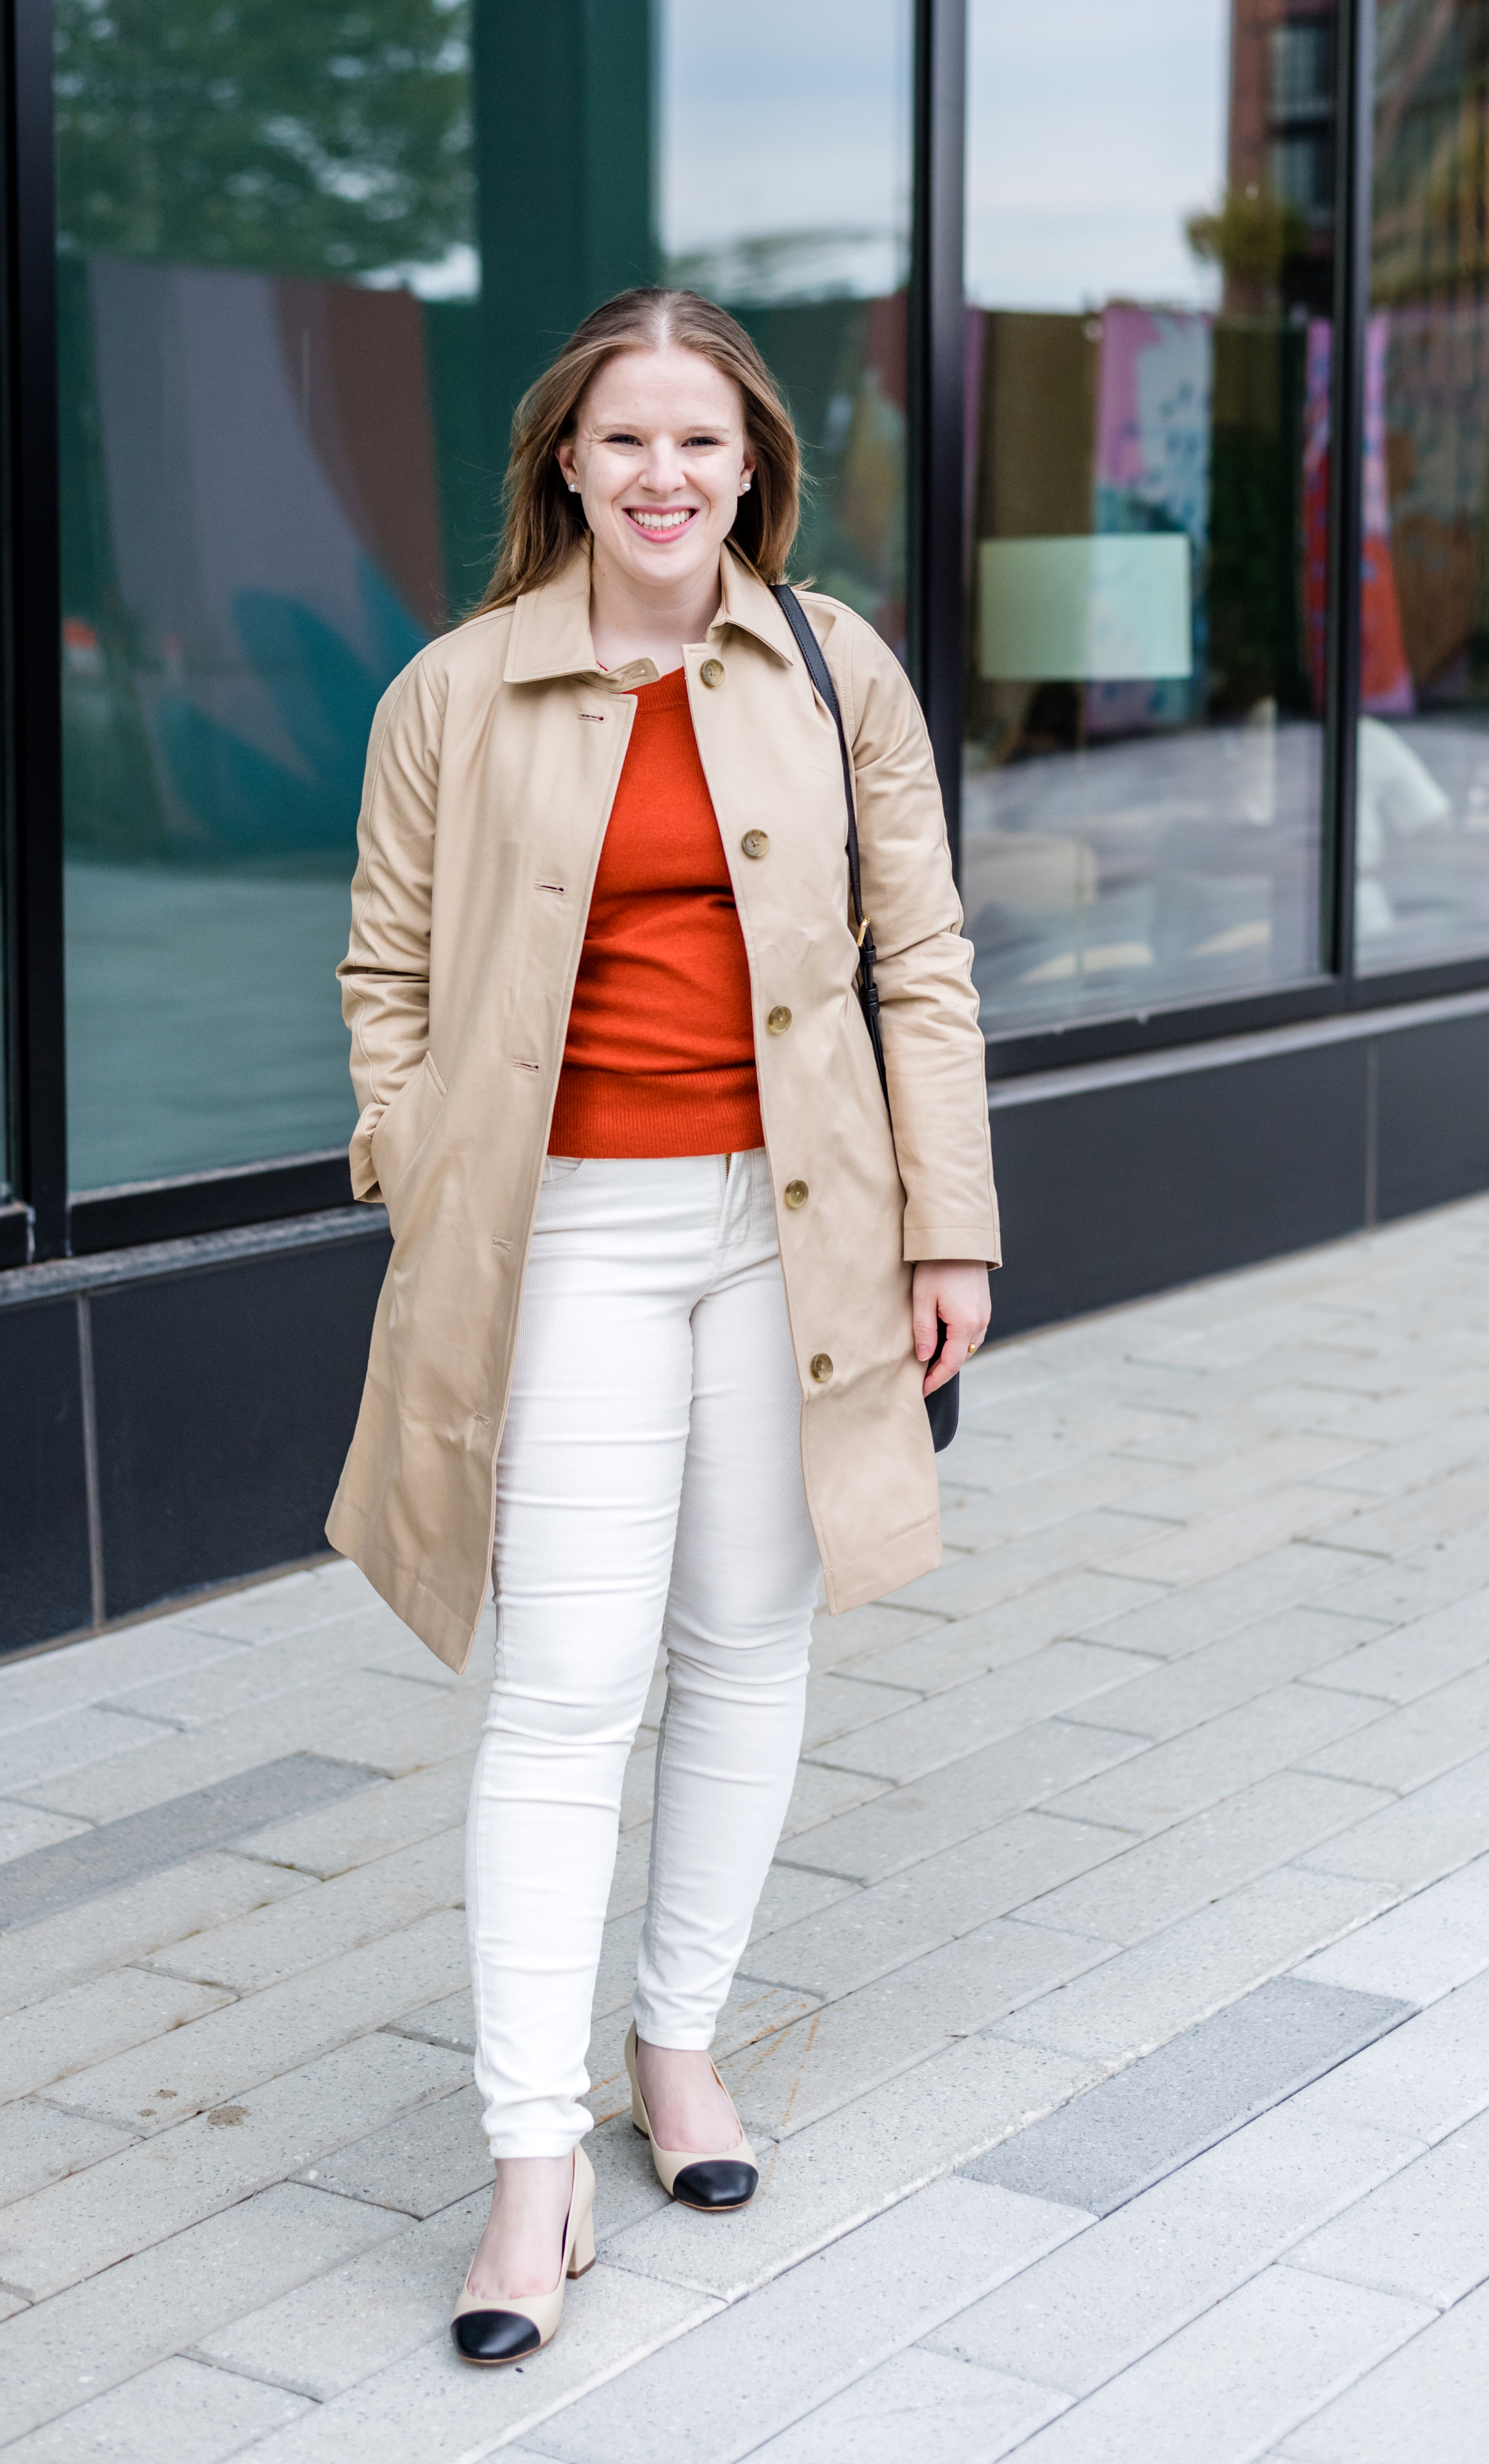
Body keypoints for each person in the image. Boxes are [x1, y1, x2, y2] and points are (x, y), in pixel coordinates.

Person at [325, 286, 1000, 2366]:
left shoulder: (828, 664)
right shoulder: (454, 692)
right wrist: (409, 1158)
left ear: (752, 467)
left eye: (701, 443)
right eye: (625, 439)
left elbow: (923, 952)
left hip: (798, 1230)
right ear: (563, 461)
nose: (663, 477)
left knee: (747, 1641)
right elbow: (386, 972)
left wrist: (948, 1228)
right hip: (562, 1243)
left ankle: (676, 2047)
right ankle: (533, 2165)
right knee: (564, 1687)